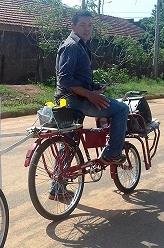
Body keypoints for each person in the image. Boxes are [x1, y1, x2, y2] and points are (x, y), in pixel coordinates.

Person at [55, 10, 129, 165]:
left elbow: (76, 77)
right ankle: (113, 154)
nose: (87, 29)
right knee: (122, 109)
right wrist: (90, 95)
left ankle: (58, 185)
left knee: (70, 141)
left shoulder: (80, 45)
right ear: (73, 26)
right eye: (82, 25)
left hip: (70, 99)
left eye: (90, 25)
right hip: (75, 100)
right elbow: (65, 78)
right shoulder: (72, 46)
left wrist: (93, 88)